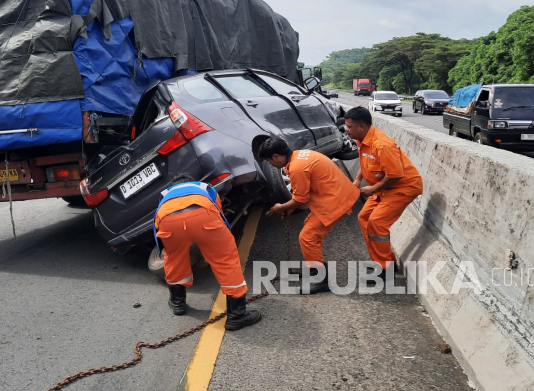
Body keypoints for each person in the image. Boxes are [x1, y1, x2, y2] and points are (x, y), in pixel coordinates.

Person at [154, 180, 261, 331]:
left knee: (174, 259)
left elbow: (157, 217)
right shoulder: (203, 186)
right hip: (203, 213)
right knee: (226, 260)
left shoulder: (165, 193)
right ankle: (237, 316)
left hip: (168, 219)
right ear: (189, 180)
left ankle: (177, 303)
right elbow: (218, 213)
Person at [259, 137, 360, 294]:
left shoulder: (297, 168)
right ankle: (315, 269)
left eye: (269, 161)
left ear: (275, 156)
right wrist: (289, 209)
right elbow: (301, 195)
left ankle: (321, 280)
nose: (270, 164)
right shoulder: (300, 155)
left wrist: (280, 207)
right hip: (335, 195)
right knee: (309, 230)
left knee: (308, 237)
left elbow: (300, 199)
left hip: (335, 200)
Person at [343, 106, 423, 279]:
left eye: (349, 127)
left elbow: (396, 175)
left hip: (403, 187)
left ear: (362, 126)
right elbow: (365, 161)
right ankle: (383, 262)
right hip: (385, 187)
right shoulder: (363, 139)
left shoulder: (383, 145)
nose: (346, 130)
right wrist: (358, 179)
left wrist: (372, 189)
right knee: (364, 218)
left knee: (377, 223)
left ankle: (386, 270)